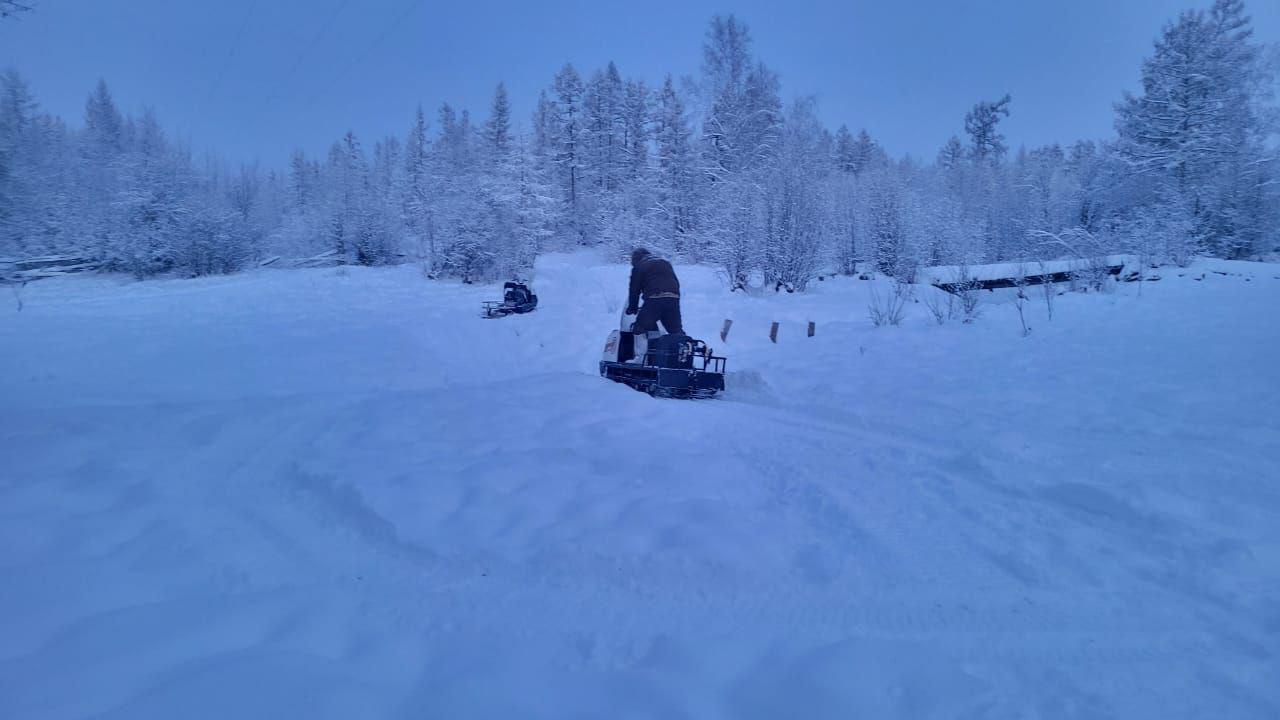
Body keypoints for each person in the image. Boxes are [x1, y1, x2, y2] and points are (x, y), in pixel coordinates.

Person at [626, 247, 683, 336]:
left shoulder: (639, 266)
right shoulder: (665, 263)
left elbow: (634, 290)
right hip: (673, 297)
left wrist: (632, 308)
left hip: (654, 299)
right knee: (675, 330)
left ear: (635, 260)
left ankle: (652, 345)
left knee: (640, 327)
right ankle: (685, 346)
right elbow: (675, 282)